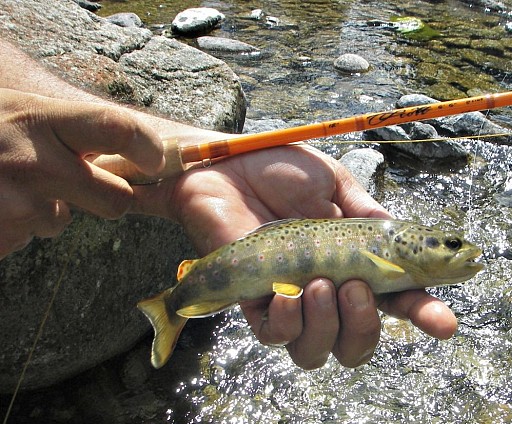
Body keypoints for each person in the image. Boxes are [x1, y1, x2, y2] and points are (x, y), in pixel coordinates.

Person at [0, 39, 458, 370]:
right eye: (450, 244)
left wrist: (203, 157)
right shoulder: (394, 250)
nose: (459, 252)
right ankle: (172, 305)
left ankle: (173, 306)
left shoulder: (395, 249)